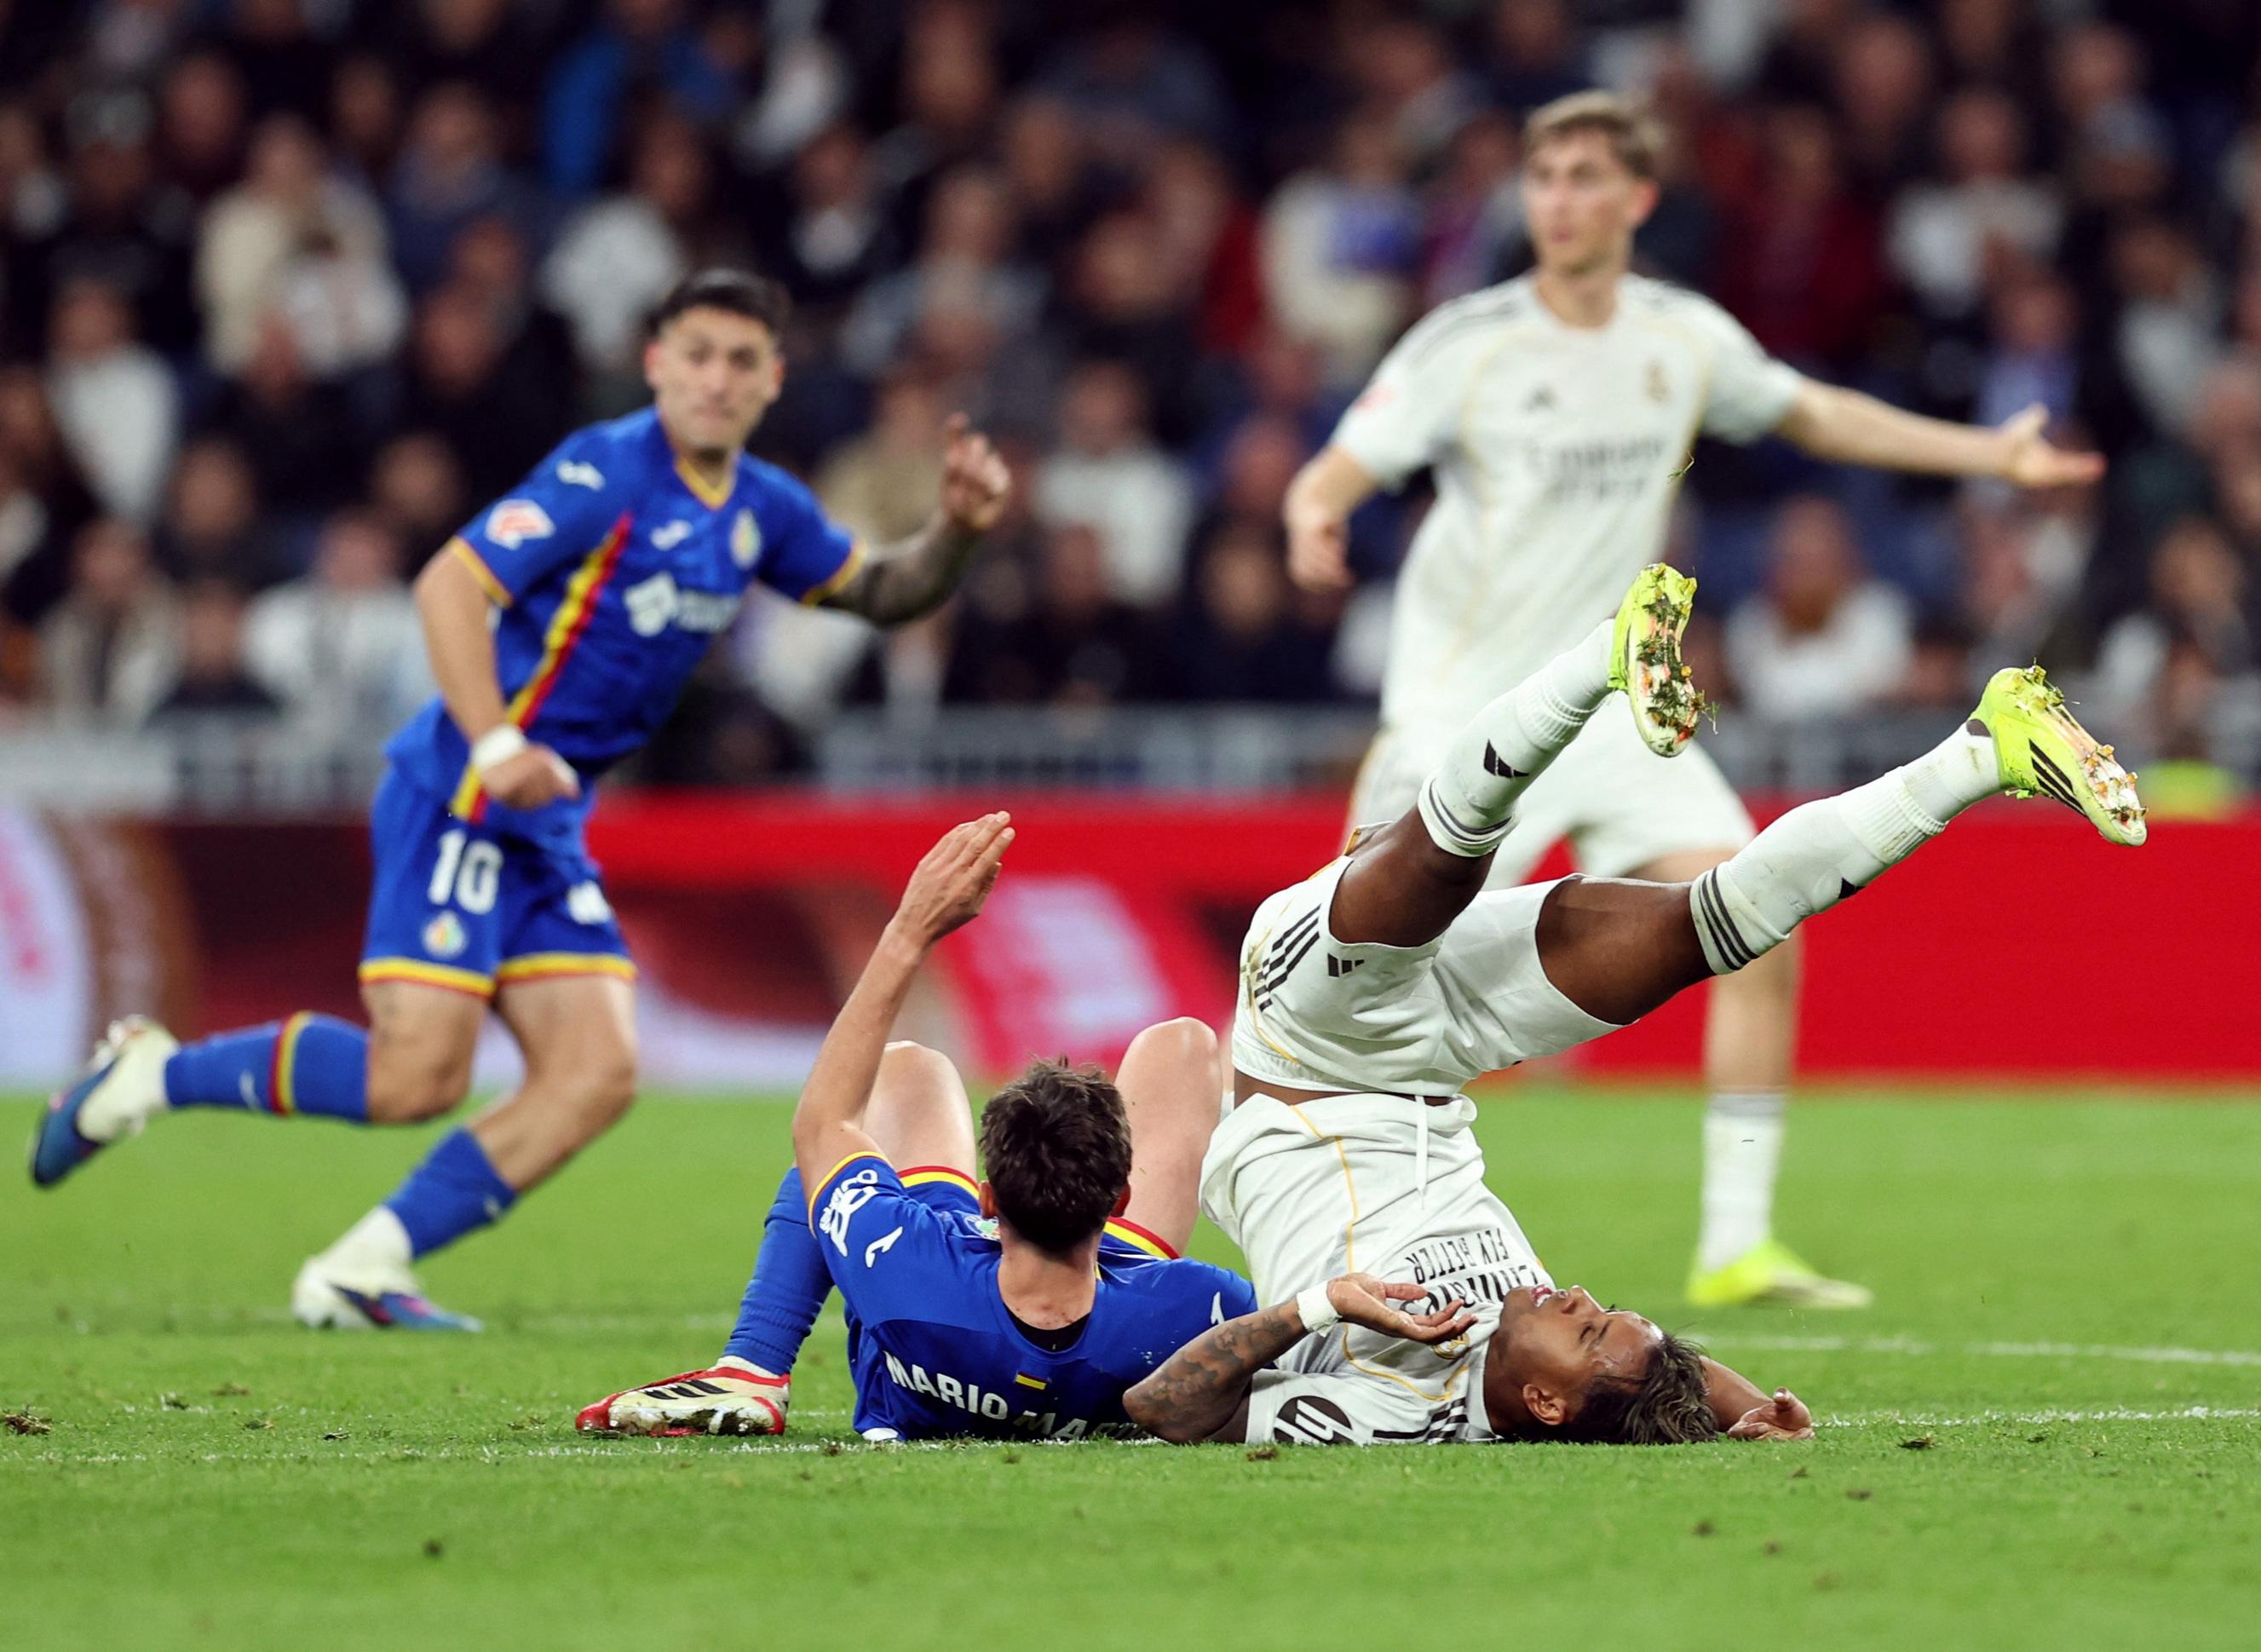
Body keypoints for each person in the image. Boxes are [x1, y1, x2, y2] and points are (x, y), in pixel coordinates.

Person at [29, 271, 1014, 1333]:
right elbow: (450, 584)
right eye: (697, 354)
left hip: (545, 817)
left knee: (594, 1072)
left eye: (741, 361)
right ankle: (149, 1072)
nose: (716, 380)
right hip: (462, 786)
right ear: (657, 363)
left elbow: (883, 590)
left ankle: (363, 1266)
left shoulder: (762, 509)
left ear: (773, 379)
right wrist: (497, 741)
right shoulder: (605, 469)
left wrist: (954, 531)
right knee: (416, 1077)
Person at [1281, 90, 2106, 1310]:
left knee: (1756, 903)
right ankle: (1323, 1258)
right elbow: (1339, 465)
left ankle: (1734, 1241)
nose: (1557, 198)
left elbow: (1820, 414)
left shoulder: (1681, 337)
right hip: (1462, 721)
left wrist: (1993, 454)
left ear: (1637, 198)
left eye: (1583, 176)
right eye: (1543, 175)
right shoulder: (1469, 343)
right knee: (1360, 998)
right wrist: (1312, 516)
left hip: (1622, 710)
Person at [1124, 566, 2142, 1444]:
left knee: (1435, 868)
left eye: (1589, 1329)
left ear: (1544, 1403)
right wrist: (1750, 1403)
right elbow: (1661, 1374)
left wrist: (1315, 1307)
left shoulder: (1397, 1403)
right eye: (1609, 1313)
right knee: (1717, 926)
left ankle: (1595, 661)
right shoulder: (1557, 1352)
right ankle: (1984, 750)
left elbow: (1166, 1409)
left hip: (1305, 1057)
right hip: (1443, 1060)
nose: (1585, 1300)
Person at [578, 850, 1251, 1440]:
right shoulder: (1197, 1304)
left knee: (908, 1069)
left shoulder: (903, 1261)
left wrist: (908, 931)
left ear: (989, 1201)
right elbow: (1276, 1329)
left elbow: (824, 1127)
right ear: (1120, 1196)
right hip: (1118, 1321)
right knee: (1185, 1043)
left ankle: (750, 1368)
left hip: (956, 1307)